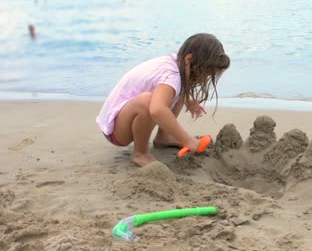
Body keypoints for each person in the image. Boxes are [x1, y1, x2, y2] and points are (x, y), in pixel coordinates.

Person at [96, 33, 230, 167]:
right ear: (189, 59)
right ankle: (140, 153)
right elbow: (157, 110)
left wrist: (188, 100)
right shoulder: (170, 76)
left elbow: (169, 89)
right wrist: (187, 140)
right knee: (149, 102)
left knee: (181, 86)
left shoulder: (176, 65)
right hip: (116, 130)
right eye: (205, 74)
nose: (203, 80)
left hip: (124, 117)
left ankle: (163, 137)